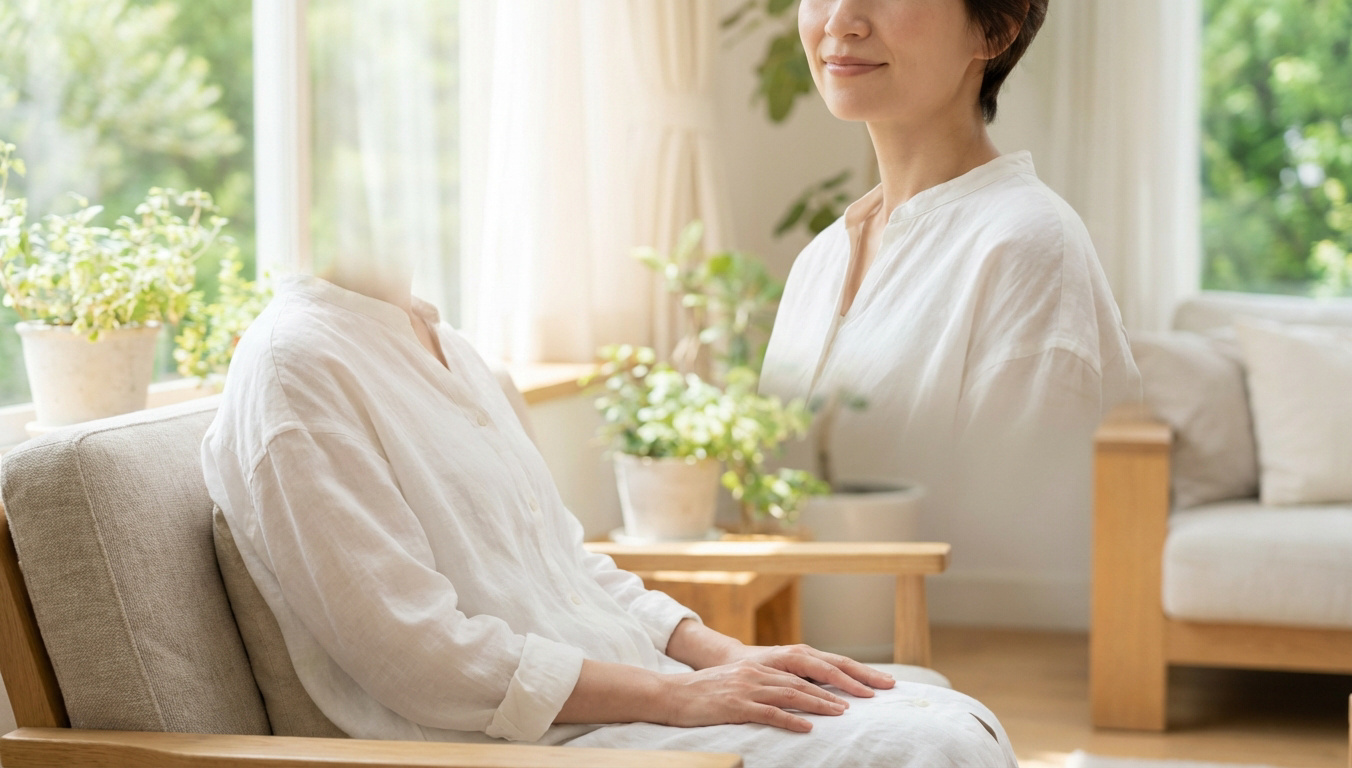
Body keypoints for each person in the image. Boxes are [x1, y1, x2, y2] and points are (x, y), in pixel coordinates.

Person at [202, 246, 1017, 765]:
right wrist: (677, 698)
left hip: (625, 699)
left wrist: (723, 656)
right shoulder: (296, 367)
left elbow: (569, 564)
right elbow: (417, 652)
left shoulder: (449, 347)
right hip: (512, 746)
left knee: (939, 711)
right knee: (930, 746)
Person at [760, 0, 1141, 603]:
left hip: (923, 679)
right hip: (789, 665)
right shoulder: (822, 259)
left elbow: (1020, 571)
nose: (841, 20)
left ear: (997, 27)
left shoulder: (1027, 247)